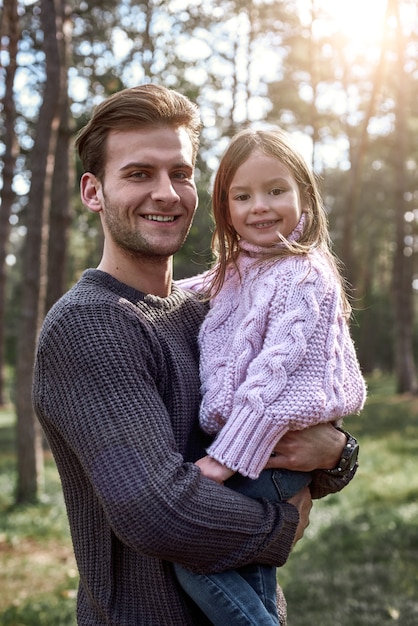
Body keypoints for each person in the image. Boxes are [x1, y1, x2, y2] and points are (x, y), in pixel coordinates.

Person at [32, 84, 359, 626]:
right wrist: (281, 526)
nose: (166, 193)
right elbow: (158, 513)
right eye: (139, 174)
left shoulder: (211, 308)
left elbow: (289, 423)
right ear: (93, 192)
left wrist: (336, 451)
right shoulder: (90, 324)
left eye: (180, 174)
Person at [174, 127, 366, 625]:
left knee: (198, 560)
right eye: (243, 196)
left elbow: (271, 391)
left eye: (275, 190)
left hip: (268, 460)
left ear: (304, 194)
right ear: (226, 207)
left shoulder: (303, 275)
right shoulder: (240, 268)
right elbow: (181, 291)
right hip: (253, 457)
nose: (260, 206)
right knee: (254, 581)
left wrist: (220, 465)